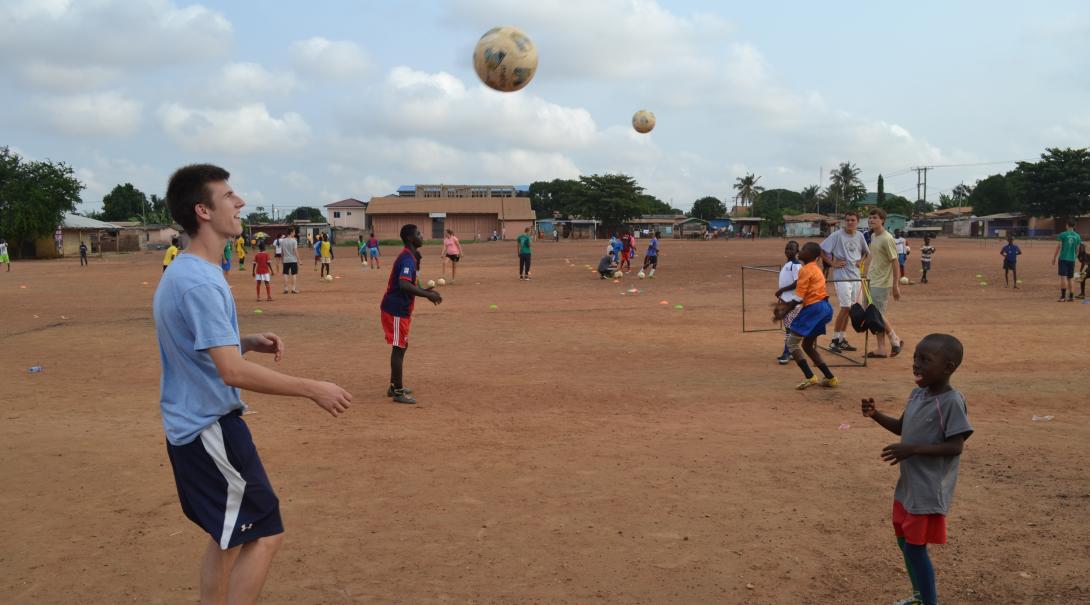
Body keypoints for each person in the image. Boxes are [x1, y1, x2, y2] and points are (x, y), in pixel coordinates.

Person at [155, 164, 352, 604]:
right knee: (265, 534)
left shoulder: (188, 272)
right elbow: (232, 373)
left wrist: (242, 341)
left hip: (195, 426)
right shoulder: (198, 282)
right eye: (229, 196)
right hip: (209, 428)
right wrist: (311, 388)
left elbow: (200, 348)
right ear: (202, 210)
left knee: (227, 538)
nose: (240, 202)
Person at [861, 333, 972, 605]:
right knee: (904, 542)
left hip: (927, 490)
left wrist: (912, 449)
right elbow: (902, 428)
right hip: (908, 487)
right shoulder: (917, 394)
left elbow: (955, 446)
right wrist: (875, 415)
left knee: (915, 548)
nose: (916, 365)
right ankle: (920, 596)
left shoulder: (951, 401)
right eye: (915, 358)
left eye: (925, 360)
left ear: (948, 368)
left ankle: (928, 601)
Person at [381, 224, 442, 404]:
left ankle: (394, 385)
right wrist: (428, 295)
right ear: (409, 238)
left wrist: (424, 290)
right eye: (418, 234)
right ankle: (398, 391)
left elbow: (408, 285)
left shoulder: (410, 257)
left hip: (398, 309)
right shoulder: (407, 258)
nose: (421, 236)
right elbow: (403, 285)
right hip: (396, 310)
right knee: (399, 348)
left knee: (401, 346)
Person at [775, 242, 837, 389]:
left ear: (813, 255)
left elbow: (798, 297)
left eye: (804, 250)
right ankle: (830, 378)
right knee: (808, 345)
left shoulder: (805, 270)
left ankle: (810, 377)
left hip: (814, 308)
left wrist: (785, 310)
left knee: (791, 343)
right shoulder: (816, 269)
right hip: (825, 308)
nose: (800, 251)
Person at [821, 211, 870, 353]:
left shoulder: (860, 236)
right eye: (847, 220)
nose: (850, 222)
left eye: (853, 220)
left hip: (855, 276)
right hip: (841, 276)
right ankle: (834, 340)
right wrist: (832, 263)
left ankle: (842, 339)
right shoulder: (836, 235)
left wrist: (861, 261)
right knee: (845, 307)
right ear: (844, 221)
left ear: (857, 222)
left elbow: (866, 252)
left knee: (852, 309)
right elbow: (822, 250)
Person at [865, 208, 904, 358]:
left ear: (882, 220)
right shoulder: (874, 236)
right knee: (873, 315)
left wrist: (895, 285)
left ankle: (894, 339)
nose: (871, 220)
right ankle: (881, 348)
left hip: (882, 283)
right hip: (872, 279)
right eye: (870, 218)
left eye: (875, 217)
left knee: (877, 314)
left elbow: (895, 262)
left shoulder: (887, 238)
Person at [773, 240, 802, 365]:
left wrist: (781, 290)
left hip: (792, 302)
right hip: (786, 300)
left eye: (791, 249)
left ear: (797, 251)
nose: (788, 251)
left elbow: (797, 282)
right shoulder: (788, 264)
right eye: (787, 248)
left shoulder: (796, 265)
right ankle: (791, 351)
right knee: (789, 328)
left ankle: (787, 352)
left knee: (789, 329)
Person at [1053, 219, 1082, 302]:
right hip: (1072, 259)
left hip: (1063, 258)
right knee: (1071, 278)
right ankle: (1071, 296)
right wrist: (1074, 257)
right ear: (1074, 226)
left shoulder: (1063, 234)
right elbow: (1077, 249)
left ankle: (1062, 297)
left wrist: (1054, 257)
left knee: (1063, 277)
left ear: (1067, 225)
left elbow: (1059, 247)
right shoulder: (1077, 236)